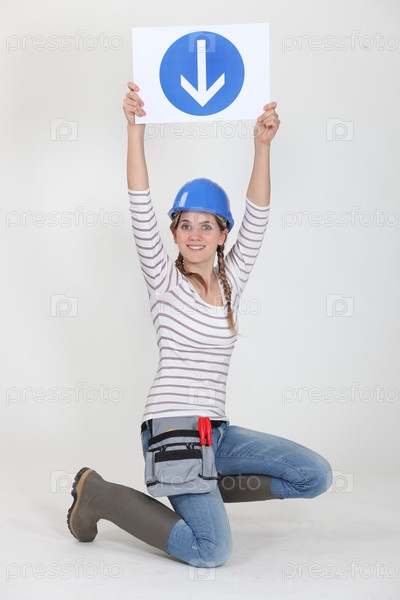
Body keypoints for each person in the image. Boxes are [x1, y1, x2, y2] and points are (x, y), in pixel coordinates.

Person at [67, 82, 332, 568]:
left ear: (222, 234)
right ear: (174, 233)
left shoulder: (232, 282)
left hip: (217, 433)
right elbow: (139, 201)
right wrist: (135, 131)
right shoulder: (163, 280)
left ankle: (200, 484)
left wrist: (262, 146)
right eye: (185, 225)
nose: (195, 234)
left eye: (207, 225)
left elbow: (259, 216)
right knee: (213, 551)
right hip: (172, 429)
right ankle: (100, 494)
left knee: (313, 475)